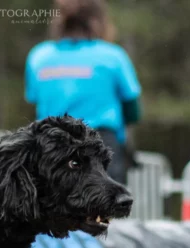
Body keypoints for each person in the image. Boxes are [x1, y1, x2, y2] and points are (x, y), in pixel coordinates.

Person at [24, 0, 142, 185]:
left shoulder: (39, 56)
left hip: (51, 145)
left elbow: (34, 99)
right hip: (101, 146)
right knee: (103, 207)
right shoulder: (112, 56)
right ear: (98, 20)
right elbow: (132, 110)